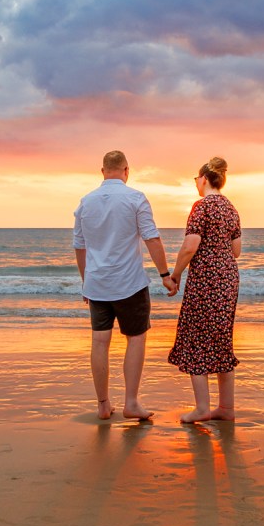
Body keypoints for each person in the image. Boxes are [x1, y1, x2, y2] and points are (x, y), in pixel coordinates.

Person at [73, 150, 170, 421]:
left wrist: (86, 283)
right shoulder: (135, 198)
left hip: (97, 284)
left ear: (102, 171)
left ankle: (103, 405)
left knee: (100, 342)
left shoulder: (85, 202)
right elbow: (152, 238)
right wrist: (165, 274)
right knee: (136, 339)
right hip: (130, 284)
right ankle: (131, 403)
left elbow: (80, 247)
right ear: (127, 170)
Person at [164, 156, 242, 423]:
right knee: (221, 339)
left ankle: (201, 408)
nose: (196, 183)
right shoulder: (231, 209)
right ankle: (226, 408)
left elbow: (189, 246)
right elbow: (236, 251)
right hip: (228, 279)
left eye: (196, 178)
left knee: (198, 339)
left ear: (205, 179)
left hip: (206, 281)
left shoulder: (202, 207)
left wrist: (174, 275)